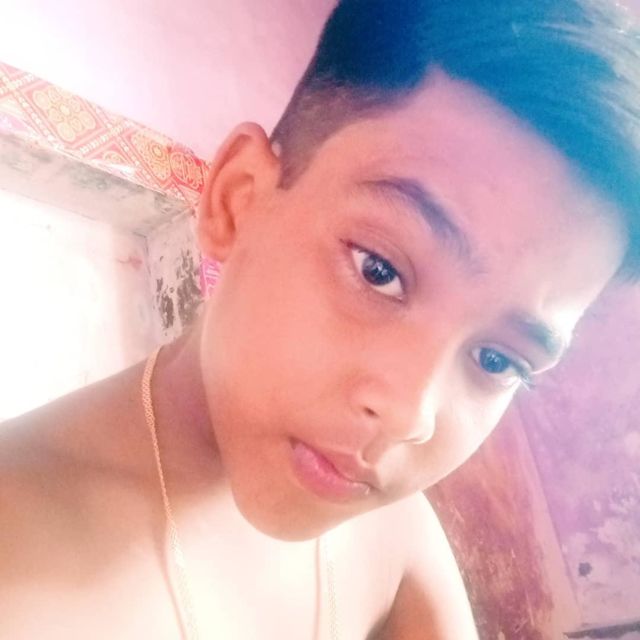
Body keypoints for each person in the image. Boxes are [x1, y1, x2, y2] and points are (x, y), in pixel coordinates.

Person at [1, 1, 639, 638]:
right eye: (379, 271)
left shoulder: (395, 534)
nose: (408, 416)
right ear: (236, 201)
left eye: (497, 360)